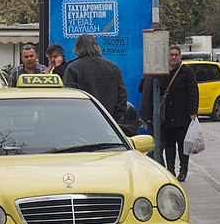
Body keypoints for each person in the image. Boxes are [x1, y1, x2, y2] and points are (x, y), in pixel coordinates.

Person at [140, 45, 198, 181]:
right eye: (171, 55)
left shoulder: (186, 72)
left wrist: (193, 112)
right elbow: (147, 90)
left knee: (183, 146)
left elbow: (193, 92)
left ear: (180, 56)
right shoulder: (161, 72)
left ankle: (183, 170)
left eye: (176, 55)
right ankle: (170, 170)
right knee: (169, 145)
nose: (173, 57)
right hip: (166, 115)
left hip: (182, 115)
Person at [62, 35, 128, 122]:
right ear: (97, 46)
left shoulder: (73, 68)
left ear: (77, 49)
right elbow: (122, 94)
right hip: (109, 122)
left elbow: (68, 97)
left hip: (82, 121)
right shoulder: (113, 67)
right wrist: (116, 118)